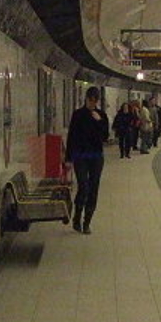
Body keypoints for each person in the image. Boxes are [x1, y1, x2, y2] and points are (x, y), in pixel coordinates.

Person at [65, 86, 110, 233]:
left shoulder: (102, 116)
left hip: (96, 157)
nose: (92, 103)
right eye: (90, 100)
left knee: (93, 188)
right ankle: (77, 217)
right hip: (80, 156)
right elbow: (71, 136)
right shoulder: (78, 115)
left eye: (94, 101)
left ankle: (87, 223)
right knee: (83, 187)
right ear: (86, 99)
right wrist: (68, 158)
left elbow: (105, 137)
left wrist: (99, 122)